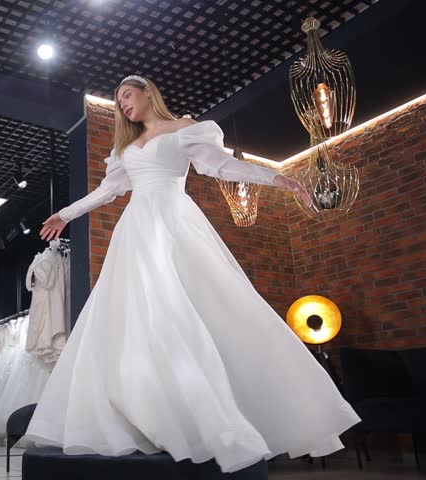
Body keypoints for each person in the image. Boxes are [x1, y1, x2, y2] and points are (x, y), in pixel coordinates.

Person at [25, 75, 360, 473]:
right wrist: (65, 214)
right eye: (118, 103)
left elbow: (220, 165)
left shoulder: (185, 129)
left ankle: (205, 415)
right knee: (138, 317)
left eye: (127, 96)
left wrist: (276, 178)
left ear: (148, 91)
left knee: (187, 309)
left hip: (175, 222)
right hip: (135, 230)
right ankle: (145, 413)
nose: (123, 106)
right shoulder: (126, 149)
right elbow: (107, 192)